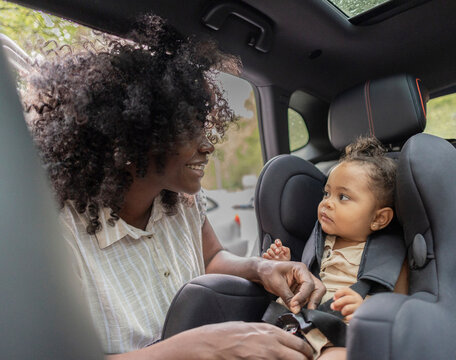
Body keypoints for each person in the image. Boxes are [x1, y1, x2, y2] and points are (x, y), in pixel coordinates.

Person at [22, 14, 324, 359]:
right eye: (187, 129)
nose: (208, 145)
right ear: (129, 144)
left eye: (204, 127)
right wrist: (200, 347)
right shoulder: (56, 235)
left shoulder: (182, 202)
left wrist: (262, 268)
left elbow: (210, 257)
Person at [263, 136, 408, 359]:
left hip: (342, 337)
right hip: (295, 328)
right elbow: (305, 287)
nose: (327, 202)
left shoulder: (389, 257)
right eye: (326, 193)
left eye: (343, 197)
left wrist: (366, 311)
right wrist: (285, 268)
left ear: (379, 218)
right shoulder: (319, 244)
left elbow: (401, 307)